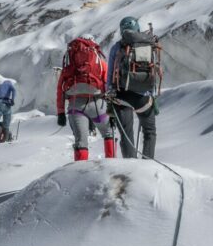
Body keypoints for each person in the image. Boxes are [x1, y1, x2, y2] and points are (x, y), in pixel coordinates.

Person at [56, 34, 116, 161]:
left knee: (81, 142)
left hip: (75, 106)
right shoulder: (98, 60)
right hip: (97, 104)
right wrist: (111, 109)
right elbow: (108, 84)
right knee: (109, 133)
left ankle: (80, 172)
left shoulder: (70, 61)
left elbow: (60, 88)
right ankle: (112, 164)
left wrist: (60, 112)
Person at [107, 17, 159, 159]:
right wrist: (152, 95)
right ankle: (147, 163)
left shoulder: (117, 47)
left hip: (121, 96)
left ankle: (131, 167)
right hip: (144, 97)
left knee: (126, 134)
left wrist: (109, 92)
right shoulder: (149, 44)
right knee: (149, 132)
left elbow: (110, 73)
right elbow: (154, 70)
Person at [0, 79, 16, 144]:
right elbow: (14, 90)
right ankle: (6, 139)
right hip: (7, 105)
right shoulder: (10, 85)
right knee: (6, 125)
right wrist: (12, 100)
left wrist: (0, 101)